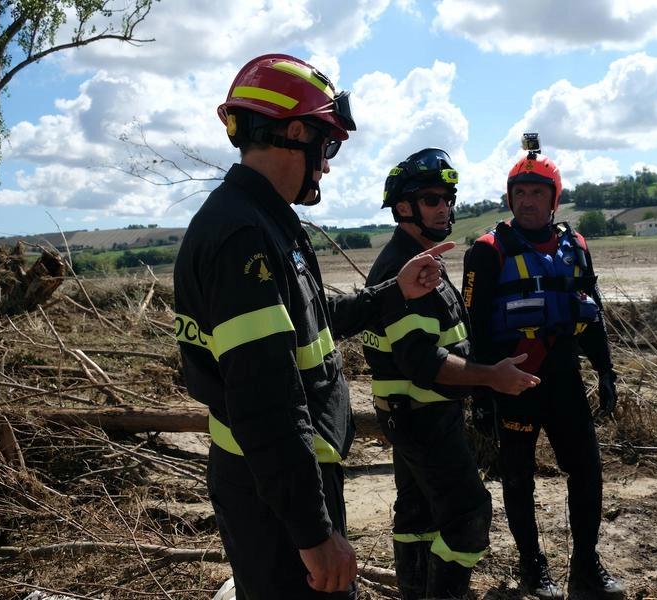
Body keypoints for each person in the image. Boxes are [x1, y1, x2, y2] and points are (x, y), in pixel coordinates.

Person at [173, 54, 453, 600]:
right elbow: (265, 401)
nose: (325, 167)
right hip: (274, 487)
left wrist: (395, 291)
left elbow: (314, 323)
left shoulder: (267, 221)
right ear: (295, 132)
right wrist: (313, 531)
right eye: (325, 147)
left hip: (282, 478)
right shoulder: (243, 237)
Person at [362, 148, 541, 599]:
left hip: (410, 414)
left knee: (417, 513)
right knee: (469, 517)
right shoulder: (405, 267)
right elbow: (423, 363)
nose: (444, 207)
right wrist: (490, 377)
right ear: (403, 207)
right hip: (422, 415)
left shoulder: (418, 258)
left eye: (448, 197)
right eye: (430, 198)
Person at [461, 135, 625, 600]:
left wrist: (606, 370)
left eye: (537, 193)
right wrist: (481, 393)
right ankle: (533, 569)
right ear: (509, 198)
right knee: (517, 476)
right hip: (513, 381)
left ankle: (586, 567)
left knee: (588, 469)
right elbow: (474, 325)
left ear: (554, 199)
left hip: (563, 377)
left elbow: (591, 311)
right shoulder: (487, 251)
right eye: (520, 193)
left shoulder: (576, 246)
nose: (528, 201)